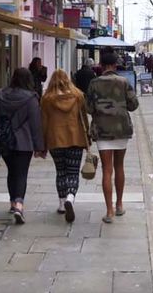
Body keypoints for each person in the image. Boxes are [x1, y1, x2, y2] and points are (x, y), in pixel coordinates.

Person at [86, 48, 139, 223]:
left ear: (101, 65)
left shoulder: (94, 83)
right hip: (121, 129)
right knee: (120, 167)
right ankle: (119, 205)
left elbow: (89, 108)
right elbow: (133, 105)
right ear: (115, 65)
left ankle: (109, 211)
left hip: (102, 130)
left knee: (106, 171)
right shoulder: (123, 82)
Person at [0, 68, 44, 224]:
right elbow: (36, 124)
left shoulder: (0, 95)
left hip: (5, 141)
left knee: (12, 172)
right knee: (21, 173)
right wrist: (39, 146)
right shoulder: (31, 98)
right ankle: (19, 205)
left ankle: (12, 203)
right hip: (24, 141)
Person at [41, 69, 88, 223]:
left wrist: (42, 142)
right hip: (75, 138)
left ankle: (62, 204)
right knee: (73, 172)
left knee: (61, 171)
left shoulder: (47, 99)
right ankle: (70, 197)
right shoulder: (78, 96)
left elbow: (44, 122)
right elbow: (83, 118)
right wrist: (87, 136)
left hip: (55, 140)